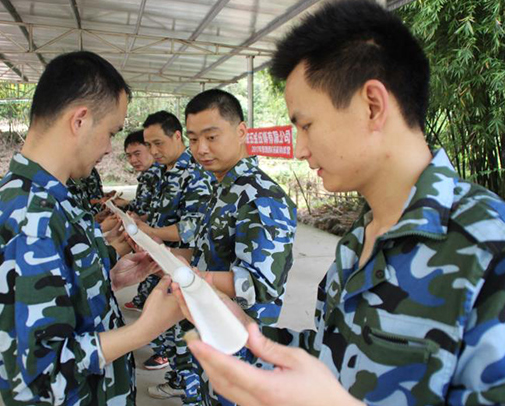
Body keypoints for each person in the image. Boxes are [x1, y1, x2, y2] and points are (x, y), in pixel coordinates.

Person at [175, 1, 505, 405]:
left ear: (372, 106)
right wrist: (243, 332)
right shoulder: (358, 241)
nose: (300, 149)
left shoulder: (488, 250)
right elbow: (332, 359)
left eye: (306, 125)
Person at [0, 51, 182, 406]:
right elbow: (42, 375)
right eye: (110, 132)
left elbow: (58, 287)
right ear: (80, 120)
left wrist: (108, 274)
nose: (109, 148)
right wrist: (144, 329)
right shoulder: (28, 215)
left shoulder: (52, 196)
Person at [175, 88, 297, 405]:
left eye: (211, 137)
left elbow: (259, 285)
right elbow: (211, 252)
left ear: (241, 131)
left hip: (242, 345)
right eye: (193, 139)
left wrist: (192, 279)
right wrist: (169, 258)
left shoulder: (260, 196)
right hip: (213, 330)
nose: (201, 149)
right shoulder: (224, 187)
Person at [126, 111, 214, 396]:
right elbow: (159, 214)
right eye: (149, 145)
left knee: (186, 334)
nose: (153, 151)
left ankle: (191, 390)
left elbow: (192, 228)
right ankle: (179, 379)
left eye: (158, 143)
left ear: (177, 136)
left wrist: (150, 231)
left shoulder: (194, 173)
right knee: (170, 331)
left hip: (186, 267)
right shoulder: (165, 172)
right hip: (164, 263)